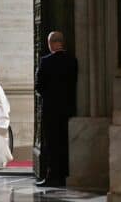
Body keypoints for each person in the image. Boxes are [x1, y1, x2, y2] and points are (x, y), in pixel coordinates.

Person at [35, 31, 78, 187]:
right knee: (65, 142)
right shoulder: (72, 61)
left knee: (51, 144)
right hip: (67, 108)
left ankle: (52, 177)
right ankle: (64, 175)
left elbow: (39, 87)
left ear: (51, 43)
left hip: (50, 109)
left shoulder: (46, 61)